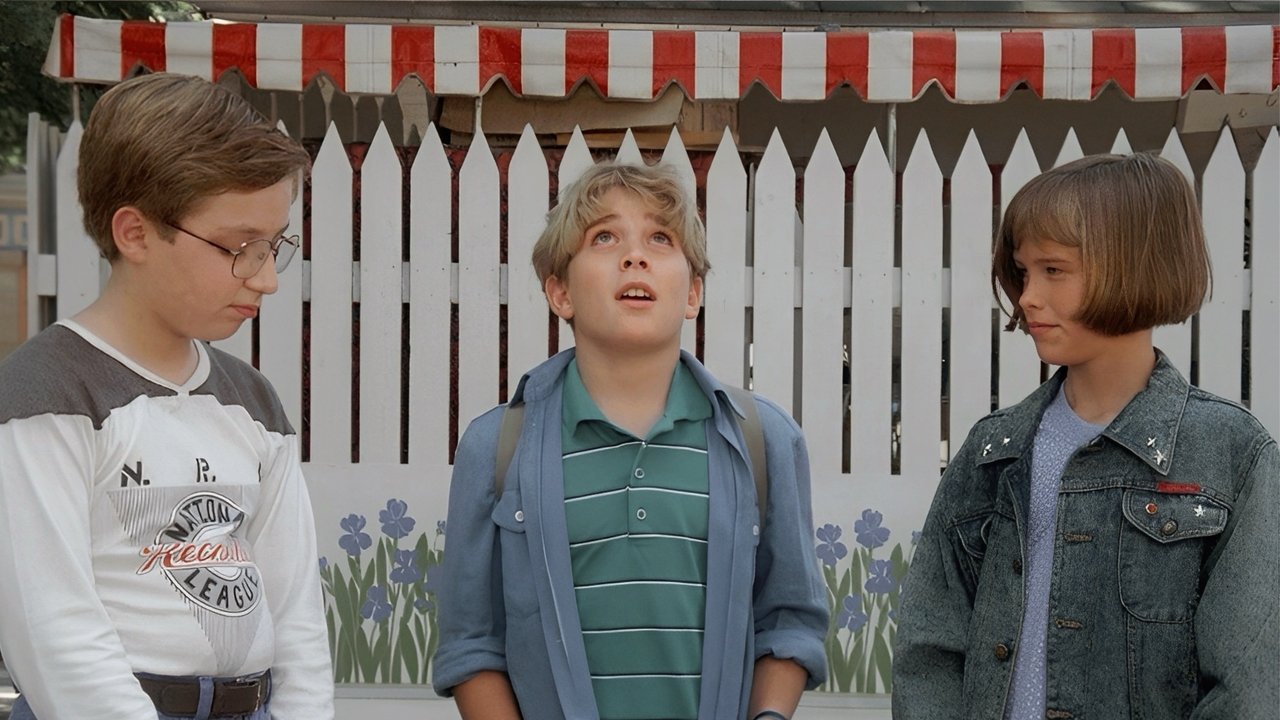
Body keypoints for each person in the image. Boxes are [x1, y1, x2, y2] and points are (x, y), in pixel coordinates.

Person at [432, 162, 828, 719]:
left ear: (692, 294)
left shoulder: (765, 441)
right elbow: (470, 645)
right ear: (560, 292)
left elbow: (790, 621)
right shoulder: (495, 447)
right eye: (604, 237)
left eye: (660, 238)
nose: (635, 256)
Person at [892, 153, 1278, 719]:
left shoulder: (1229, 455)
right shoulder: (993, 451)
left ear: (1135, 267)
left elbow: (1248, 686)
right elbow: (929, 651)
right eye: (1023, 272)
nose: (1028, 296)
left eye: (1054, 270)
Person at [0, 73, 334, 719]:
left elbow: (296, 613)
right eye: (240, 247)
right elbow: (53, 630)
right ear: (135, 233)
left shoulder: (251, 400)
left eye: (274, 247)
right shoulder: (47, 393)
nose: (266, 278)